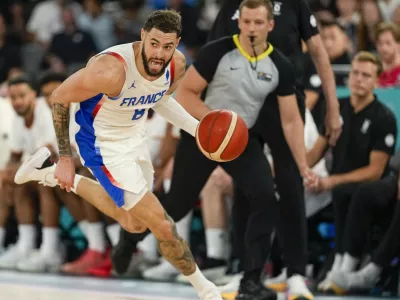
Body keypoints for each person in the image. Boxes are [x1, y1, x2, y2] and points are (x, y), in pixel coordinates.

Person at [13, 10, 222, 300]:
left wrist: (196, 128)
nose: (159, 53)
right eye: (154, 43)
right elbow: (59, 97)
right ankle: (207, 291)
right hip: (102, 143)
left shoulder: (176, 65)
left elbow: (159, 99)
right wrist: (64, 158)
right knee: (162, 224)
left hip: (134, 136)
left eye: (167, 46)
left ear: (178, 44)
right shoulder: (111, 70)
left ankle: (43, 173)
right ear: (142, 37)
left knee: (135, 223)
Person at [115, 1, 318, 300]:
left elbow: (290, 120)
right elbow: (185, 94)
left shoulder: (280, 66)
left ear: (270, 26)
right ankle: (131, 238)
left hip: (239, 140)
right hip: (202, 132)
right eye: (246, 22)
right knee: (177, 205)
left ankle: (250, 280)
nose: (251, 28)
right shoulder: (218, 52)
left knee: (265, 196)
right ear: (239, 22)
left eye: (258, 23)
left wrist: (303, 166)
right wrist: (215, 122)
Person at [306, 51, 397, 292]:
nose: (358, 79)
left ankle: (346, 263)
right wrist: (303, 172)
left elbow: (375, 171)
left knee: (351, 192)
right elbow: (315, 152)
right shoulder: (336, 110)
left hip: (366, 186)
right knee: (288, 189)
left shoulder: (383, 118)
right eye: (355, 73)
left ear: (377, 81)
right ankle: (282, 265)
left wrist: (331, 181)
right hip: (334, 184)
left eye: (366, 75)